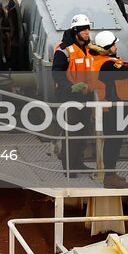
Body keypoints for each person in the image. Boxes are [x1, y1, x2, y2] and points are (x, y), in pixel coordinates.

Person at [89, 29, 128, 190]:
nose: (116, 46)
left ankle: (111, 173)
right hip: (110, 109)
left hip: (109, 107)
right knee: (113, 142)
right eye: (114, 44)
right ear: (107, 47)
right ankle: (109, 177)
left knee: (114, 141)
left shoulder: (101, 60)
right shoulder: (107, 65)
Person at [51, 13, 96, 172]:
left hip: (86, 96)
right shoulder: (64, 50)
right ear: (75, 31)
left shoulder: (89, 48)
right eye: (84, 30)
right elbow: (57, 73)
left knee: (83, 131)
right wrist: (70, 86)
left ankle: (78, 163)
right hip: (69, 98)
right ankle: (69, 167)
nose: (87, 33)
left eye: (88, 29)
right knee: (72, 133)